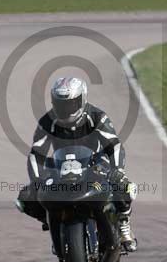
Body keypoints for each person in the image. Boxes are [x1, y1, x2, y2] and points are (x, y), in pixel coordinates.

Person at [16, 76, 138, 252]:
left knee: (125, 186)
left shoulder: (97, 117)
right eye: (61, 104)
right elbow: (37, 153)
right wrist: (36, 180)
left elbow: (114, 145)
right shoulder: (47, 121)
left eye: (71, 104)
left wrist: (117, 170)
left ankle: (123, 223)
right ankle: (51, 219)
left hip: (95, 164)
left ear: (82, 99)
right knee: (25, 198)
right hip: (60, 168)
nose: (66, 109)